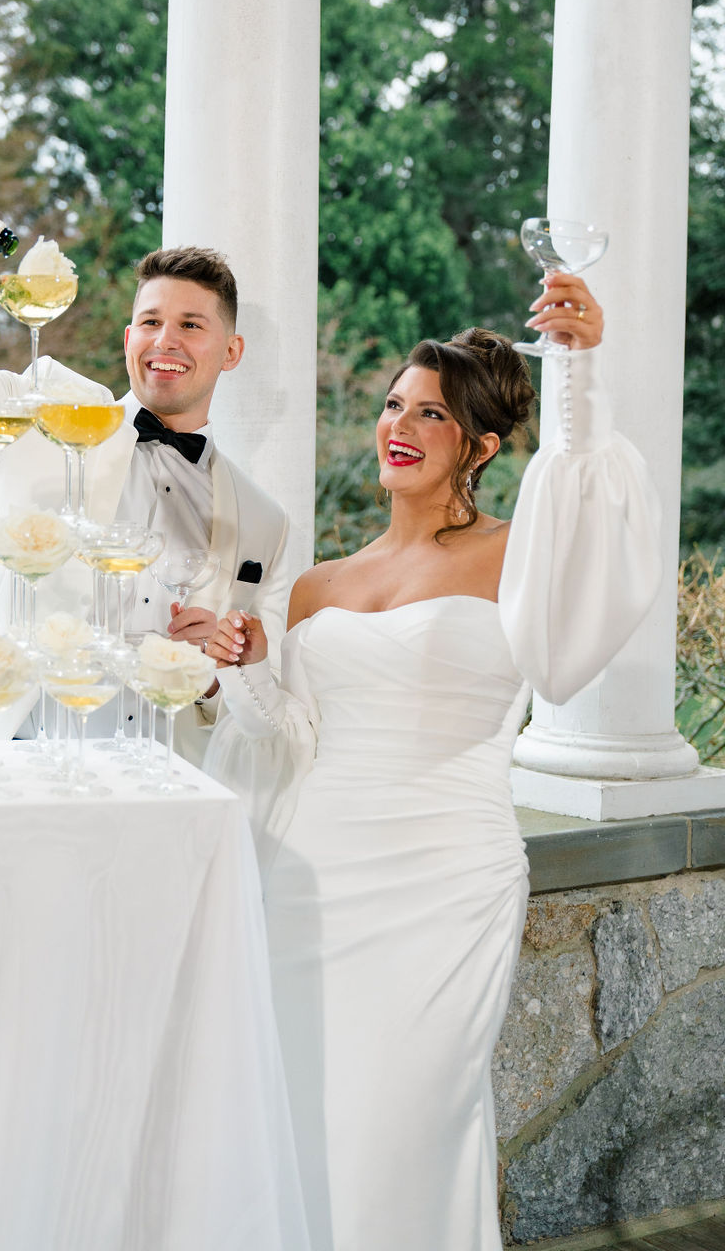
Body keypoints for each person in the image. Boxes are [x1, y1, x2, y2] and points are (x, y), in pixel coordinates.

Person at [204, 277, 661, 1251]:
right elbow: (285, 735)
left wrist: (580, 369)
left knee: (400, 1133)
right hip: (307, 882)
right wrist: (245, 665)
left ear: (481, 448)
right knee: (298, 1122)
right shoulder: (318, 583)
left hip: (443, 882)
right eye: (393, 405)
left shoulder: (520, 558)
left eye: (432, 415)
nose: (399, 426)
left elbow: (590, 504)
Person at [0, 95, 289, 761]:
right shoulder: (55, 412)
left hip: (140, 784)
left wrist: (213, 677)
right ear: (129, 338)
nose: (165, 340)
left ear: (231, 351)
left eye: (191, 325)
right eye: (151, 322)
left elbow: (250, 709)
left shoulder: (264, 522)